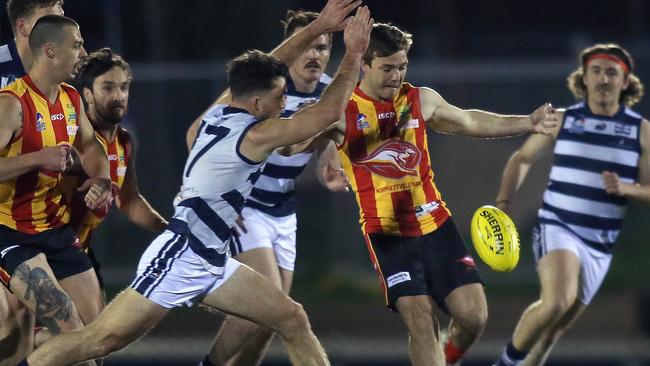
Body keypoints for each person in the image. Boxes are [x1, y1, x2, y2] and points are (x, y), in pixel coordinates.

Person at [22, 3, 372, 365]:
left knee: (292, 317)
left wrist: (318, 27)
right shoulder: (254, 135)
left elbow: (260, 71)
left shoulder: (222, 109)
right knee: (98, 341)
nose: (285, 101)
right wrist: (355, 52)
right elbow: (326, 113)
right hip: (182, 254)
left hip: (213, 257)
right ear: (255, 102)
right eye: (279, 96)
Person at [322, 23, 557, 366]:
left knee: (474, 316)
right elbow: (294, 141)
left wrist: (528, 123)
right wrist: (324, 154)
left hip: (436, 224)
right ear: (364, 65)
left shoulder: (420, 99)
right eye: (387, 68)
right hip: (387, 233)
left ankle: (447, 359)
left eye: (402, 66)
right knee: (420, 318)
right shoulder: (343, 110)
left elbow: (470, 122)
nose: (396, 76)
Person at [187, 9, 348, 366]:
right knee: (272, 301)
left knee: (270, 319)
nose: (314, 54)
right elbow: (204, 137)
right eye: (306, 44)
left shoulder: (330, 92)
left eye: (322, 46)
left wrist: (330, 169)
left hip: (284, 210)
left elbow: (328, 152)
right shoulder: (265, 89)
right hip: (248, 206)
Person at [492, 44, 650, 366]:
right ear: (584, 78)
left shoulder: (642, 131)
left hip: (600, 242)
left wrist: (627, 189)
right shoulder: (564, 120)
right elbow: (522, 158)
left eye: (612, 72)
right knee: (555, 302)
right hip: (558, 224)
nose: (603, 78)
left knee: (554, 330)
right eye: (596, 71)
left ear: (625, 82)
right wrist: (505, 200)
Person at [0, 14, 112, 366]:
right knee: (64, 319)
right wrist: (39, 158)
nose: (84, 52)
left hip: (56, 228)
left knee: (98, 335)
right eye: (76, 45)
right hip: (10, 232)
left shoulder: (71, 98)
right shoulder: (11, 104)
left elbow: (92, 148)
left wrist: (101, 181)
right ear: (50, 50)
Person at [64, 47, 168, 296]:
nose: (118, 95)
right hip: (42, 249)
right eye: (108, 87)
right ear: (87, 95)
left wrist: (171, 230)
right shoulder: (72, 136)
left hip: (76, 252)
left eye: (124, 87)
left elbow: (129, 200)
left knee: (92, 331)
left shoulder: (125, 141)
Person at [0, 1, 65, 364]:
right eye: (49, 17)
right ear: (24, 26)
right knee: (11, 317)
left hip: (39, 219)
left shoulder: (60, 74)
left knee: (84, 322)